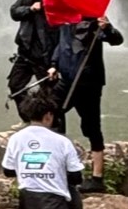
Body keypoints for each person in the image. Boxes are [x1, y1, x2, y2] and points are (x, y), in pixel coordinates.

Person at [52, 14, 123, 187]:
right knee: (51, 114)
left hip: (88, 82)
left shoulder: (95, 21)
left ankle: (97, 178)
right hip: (66, 80)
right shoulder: (66, 18)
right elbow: (61, 45)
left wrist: (107, 28)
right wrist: (53, 64)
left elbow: (116, 39)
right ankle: (58, 165)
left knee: (92, 127)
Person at [6, 0, 55, 101]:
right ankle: (28, 118)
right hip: (26, 51)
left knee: (49, 92)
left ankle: (50, 121)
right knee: (15, 86)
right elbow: (14, 12)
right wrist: (30, 9)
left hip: (45, 53)